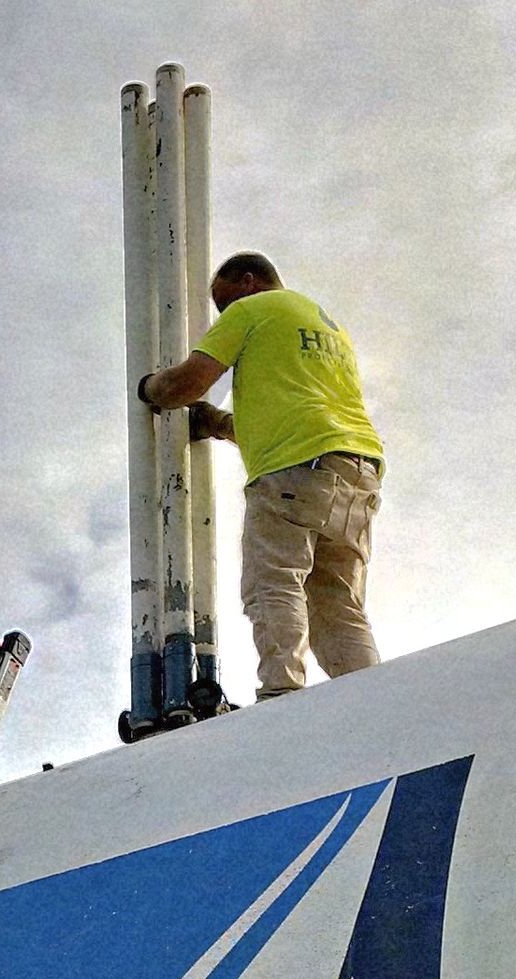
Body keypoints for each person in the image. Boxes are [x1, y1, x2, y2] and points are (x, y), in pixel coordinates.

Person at [139, 251, 386, 701]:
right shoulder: (323, 323)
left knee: (273, 581)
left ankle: (282, 693)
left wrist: (149, 387)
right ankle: (373, 698)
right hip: (356, 474)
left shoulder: (252, 310)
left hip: (295, 473)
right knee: (335, 604)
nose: (222, 315)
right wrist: (214, 424)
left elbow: (186, 384)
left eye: (224, 302)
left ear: (249, 282)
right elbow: (290, 412)